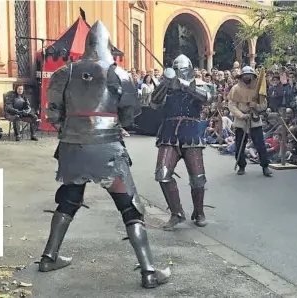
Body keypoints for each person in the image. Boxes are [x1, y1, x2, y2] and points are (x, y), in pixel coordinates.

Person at [39, 21, 170, 288]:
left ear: (87, 45)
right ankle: (148, 272)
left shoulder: (65, 73)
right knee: (130, 206)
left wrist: (72, 129)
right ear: (108, 46)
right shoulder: (119, 74)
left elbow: (53, 111)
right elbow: (131, 113)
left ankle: (48, 257)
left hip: (73, 147)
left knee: (68, 199)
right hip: (107, 149)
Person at [149, 54, 212, 230]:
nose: (178, 72)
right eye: (176, 69)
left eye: (182, 69)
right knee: (162, 173)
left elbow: (208, 98)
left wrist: (185, 86)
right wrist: (165, 84)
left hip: (191, 132)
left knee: (198, 178)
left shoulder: (198, 84)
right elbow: (153, 103)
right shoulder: (166, 86)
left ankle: (199, 212)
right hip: (169, 133)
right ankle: (176, 213)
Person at [227, 66, 273, 176]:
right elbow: (232, 105)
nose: (248, 77)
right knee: (240, 145)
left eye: (250, 75)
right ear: (242, 76)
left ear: (253, 76)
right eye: (245, 75)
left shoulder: (258, 88)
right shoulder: (236, 89)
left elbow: (264, 105)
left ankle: (265, 166)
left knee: (260, 145)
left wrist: (256, 106)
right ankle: (241, 166)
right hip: (241, 121)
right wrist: (242, 115)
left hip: (255, 119)